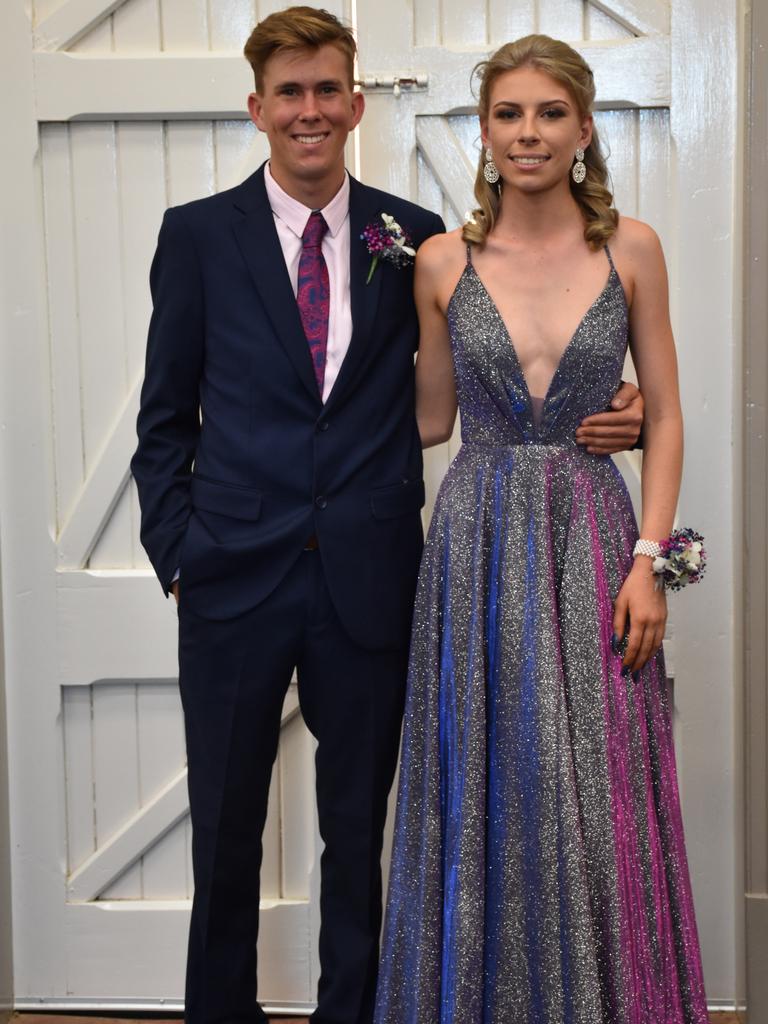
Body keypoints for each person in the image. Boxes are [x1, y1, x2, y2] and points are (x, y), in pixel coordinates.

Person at [131, 10, 644, 1024]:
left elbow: (500, 349)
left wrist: (608, 405)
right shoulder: (196, 237)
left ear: (356, 103)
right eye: (290, 93)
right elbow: (161, 415)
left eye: (328, 89)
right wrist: (180, 553)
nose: (310, 110)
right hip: (231, 576)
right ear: (258, 109)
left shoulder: (413, 235)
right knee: (225, 832)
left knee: (361, 827)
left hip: (371, 575)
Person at [374, 34, 708, 1024]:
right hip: (473, 545)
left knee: (600, 781)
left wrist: (653, 561)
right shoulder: (439, 260)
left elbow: (671, 414)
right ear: (483, 132)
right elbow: (429, 417)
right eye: (509, 114)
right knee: (485, 777)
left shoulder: (631, 247)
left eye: (549, 113)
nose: (529, 132)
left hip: (598, 541)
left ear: (583, 127)